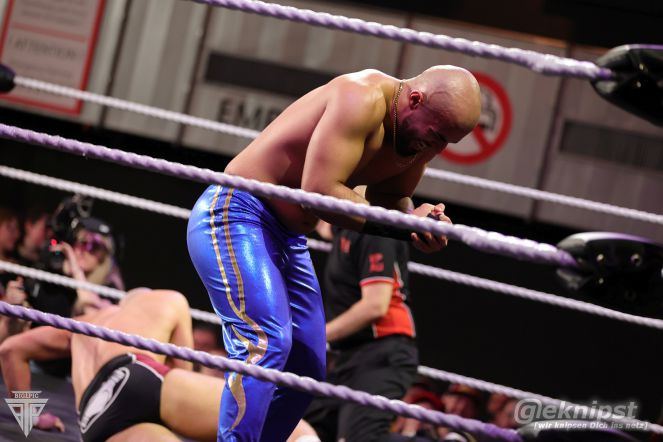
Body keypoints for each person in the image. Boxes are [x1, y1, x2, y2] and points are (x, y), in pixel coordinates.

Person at [187, 65, 481, 441]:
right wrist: (403, 224)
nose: (437, 148)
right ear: (415, 100)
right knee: (265, 342)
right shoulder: (361, 97)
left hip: (289, 239)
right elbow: (319, 191)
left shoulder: (417, 139)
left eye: (447, 143)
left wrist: (419, 223)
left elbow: (390, 201)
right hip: (238, 213)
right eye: (437, 135)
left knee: (307, 367)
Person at [0, 289, 222, 441]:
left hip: (94, 419)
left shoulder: (83, 324)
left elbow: (10, 350)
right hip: (137, 374)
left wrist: (30, 419)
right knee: (243, 416)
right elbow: (181, 370)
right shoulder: (166, 299)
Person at [304, 215, 425, 442]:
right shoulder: (344, 229)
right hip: (349, 359)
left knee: (362, 439)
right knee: (299, 425)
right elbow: (322, 222)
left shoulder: (374, 230)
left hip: (382, 351)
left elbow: (375, 305)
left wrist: (315, 337)